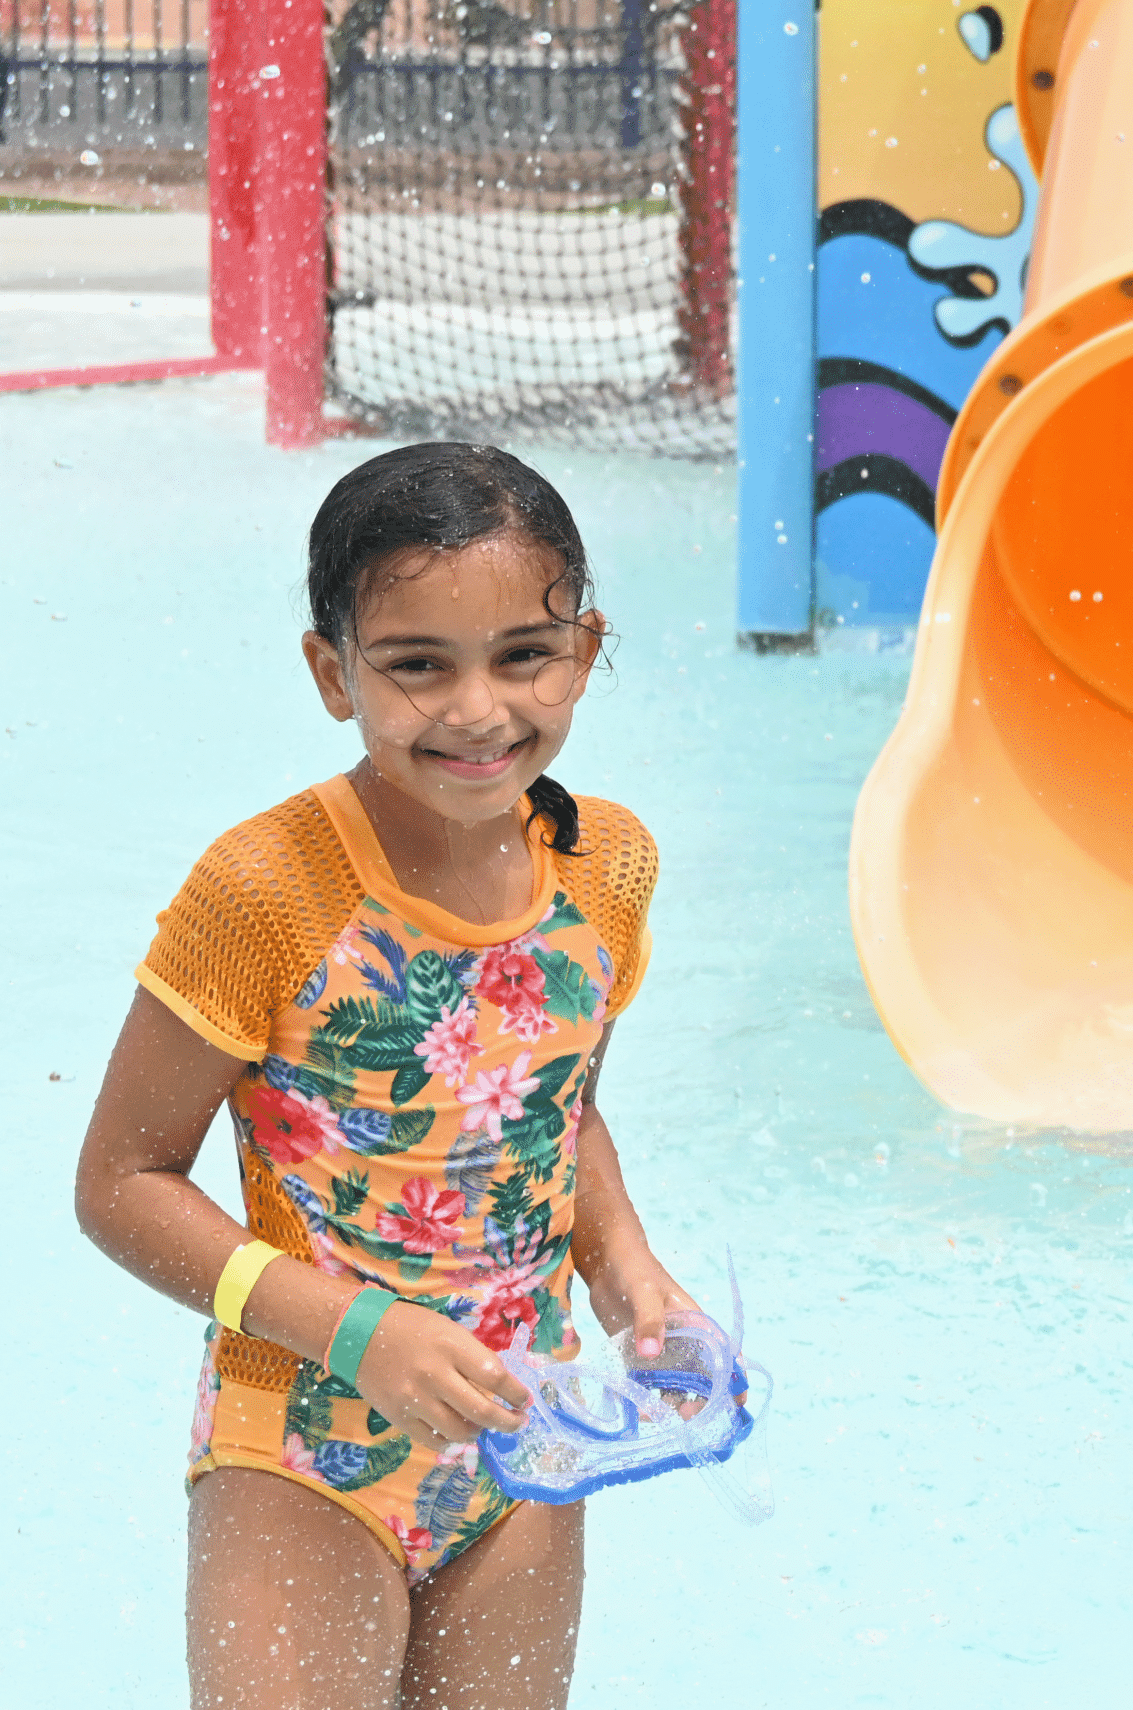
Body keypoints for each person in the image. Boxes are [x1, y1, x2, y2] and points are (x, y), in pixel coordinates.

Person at [74, 442, 696, 1709]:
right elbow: (120, 1183)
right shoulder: (267, 890)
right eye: (417, 666)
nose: (477, 710)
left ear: (584, 649)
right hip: (301, 1444)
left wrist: (638, 1286)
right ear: (330, 670)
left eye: (525, 653)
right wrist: (359, 1333)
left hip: (520, 1438)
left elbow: (554, 1113)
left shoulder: (607, 867)